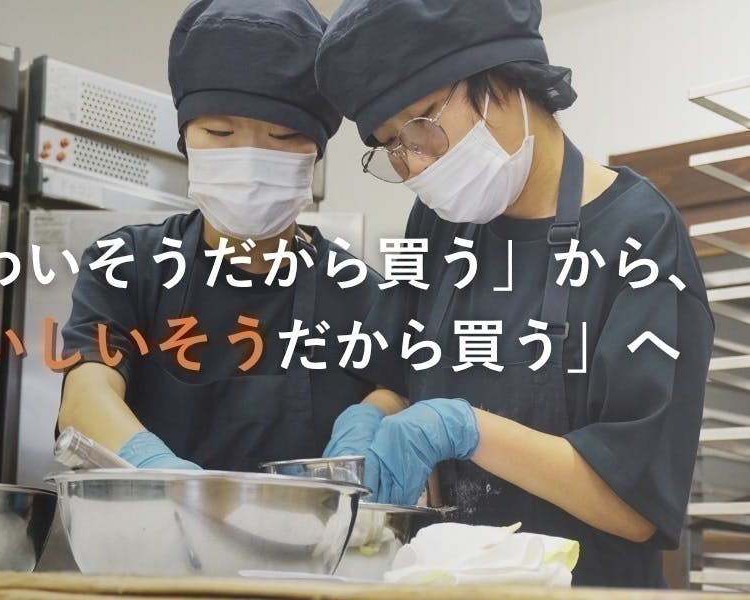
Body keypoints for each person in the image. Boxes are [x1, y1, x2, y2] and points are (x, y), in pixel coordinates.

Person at [315, 0, 714, 587]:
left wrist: (463, 428)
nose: (416, 164)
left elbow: (636, 506)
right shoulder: (438, 225)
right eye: (392, 146)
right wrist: (369, 419)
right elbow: (396, 379)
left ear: (503, 74)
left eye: (421, 123)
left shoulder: (641, 236)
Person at [57, 0, 399, 473]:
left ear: (316, 154)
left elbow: (396, 392)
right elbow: (84, 394)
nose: (250, 158)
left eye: (282, 137)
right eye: (220, 132)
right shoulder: (129, 266)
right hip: (147, 520)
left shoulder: (364, 297)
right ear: (186, 140)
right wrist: (157, 471)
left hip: (306, 524)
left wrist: (375, 417)